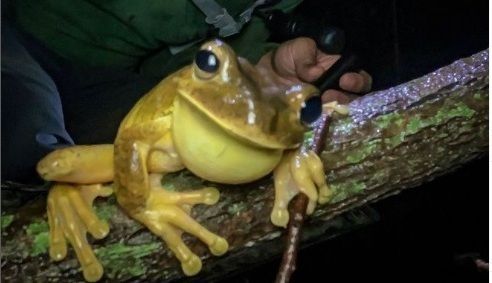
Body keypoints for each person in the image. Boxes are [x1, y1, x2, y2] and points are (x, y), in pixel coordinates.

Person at [2, 0, 372, 183]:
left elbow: (163, 55)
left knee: (191, 136)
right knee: (30, 128)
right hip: (16, 31)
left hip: (101, 77)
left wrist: (265, 72)